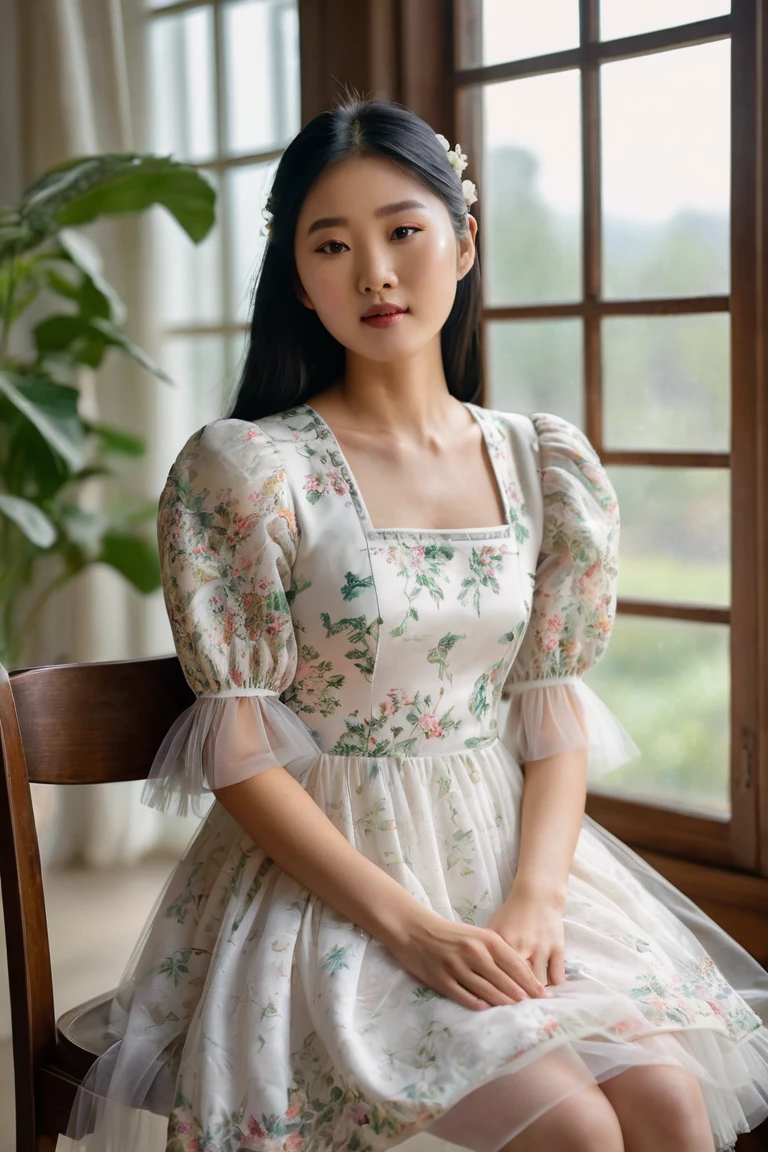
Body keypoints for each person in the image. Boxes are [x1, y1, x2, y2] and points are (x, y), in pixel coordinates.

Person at [64, 98, 768, 1152]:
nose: (375, 274)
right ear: (298, 279)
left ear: (464, 240)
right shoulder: (251, 471)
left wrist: (532, 899)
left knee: (667, 1104)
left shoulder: (541, 463)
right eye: (332, 245)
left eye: (403, 231)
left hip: (507, 865)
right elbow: (242, 749)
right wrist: (411, 924)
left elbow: (550, 707)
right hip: (333, 886)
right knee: (575, 1129)